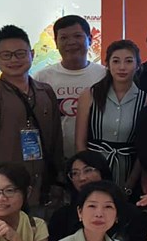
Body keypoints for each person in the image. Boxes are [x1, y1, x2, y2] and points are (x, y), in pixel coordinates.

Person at [0, 24, 64, 215]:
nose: (14, 60)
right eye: (6, 55)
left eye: (20, 54)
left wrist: (58, 182)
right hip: (2, 197)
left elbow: (56, 143)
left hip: (42, 192)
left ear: (32, 54)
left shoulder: (45, 93)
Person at [47, 151, 147, 241]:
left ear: (102, 171)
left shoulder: (131, 214)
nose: (82, 178)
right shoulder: (61, 217)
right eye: (74, 173)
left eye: (88, 170)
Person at [76, 38, 147, 192]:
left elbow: (144, 148)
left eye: (128, 61)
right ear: (107, 65)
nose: (122, 67)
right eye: (116, 61)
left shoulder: (146, 101)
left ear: (138, 65)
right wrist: (88, 173)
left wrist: (130, 183)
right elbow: (80, 143)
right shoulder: (90, 95)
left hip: (128, 170)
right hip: (94, 170)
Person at [36, 14, 106, 151]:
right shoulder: (42, 78)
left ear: (90, 39)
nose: (71, 42)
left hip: (96, 155)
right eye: (64, 38)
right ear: (56, 42)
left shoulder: (104, 75)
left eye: (77, 36)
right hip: (54, 156)